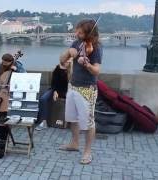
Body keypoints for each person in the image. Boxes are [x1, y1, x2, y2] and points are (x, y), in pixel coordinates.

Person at [59, 19, 102, 165]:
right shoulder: (76, 43)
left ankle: (87, 152)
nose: (76, 33)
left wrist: (87, 65)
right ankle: (74, 143)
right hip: (72, 86)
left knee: (89, 122)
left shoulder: (96, 47)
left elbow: (96, 71)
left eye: (80, 32)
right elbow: (61, 63)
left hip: (87, 89)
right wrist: (68, 52)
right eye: (77, 30)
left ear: (89, 33)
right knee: (72, 118)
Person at [35, 53, 71, 131]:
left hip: (68, 91)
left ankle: (70, 123)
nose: (68, 62)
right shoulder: (57, 69)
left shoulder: (72, 70)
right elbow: (54, 83)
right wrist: (55, 92)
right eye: (66, 61)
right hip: (56, 89)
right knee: (43, 99)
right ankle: (43, 121)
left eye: (69, 61)